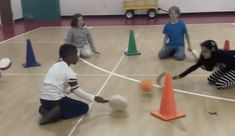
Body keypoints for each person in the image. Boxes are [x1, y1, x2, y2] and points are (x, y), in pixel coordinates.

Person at [39, 44, 108, 125]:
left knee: (64, 102)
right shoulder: (69, 72)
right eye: (76, 54)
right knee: (84, 107)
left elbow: (59, 86)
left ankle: (45, 109)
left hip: (43, 100)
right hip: (56, 101)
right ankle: (56, 114)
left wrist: (69, 90)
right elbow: (77, 91)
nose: (77, 57)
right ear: (70, 56)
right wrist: (93, 98)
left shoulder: (55, 65)